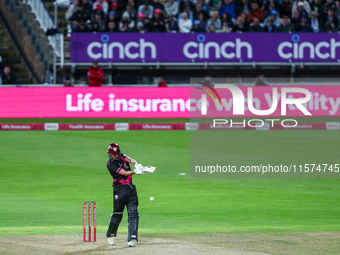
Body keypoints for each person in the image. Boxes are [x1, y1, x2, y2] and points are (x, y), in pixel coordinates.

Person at [106, 143, 144, 247]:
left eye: (117, 154)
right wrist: (135, 171)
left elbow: (130, 160)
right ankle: (111, 235)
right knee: (118, 214)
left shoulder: (121, 155)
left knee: (133, 213)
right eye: (114, 154)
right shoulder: (111, 164)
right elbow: (125, 173)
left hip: (130, 188)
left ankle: (131, 238)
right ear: (109, 154)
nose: (116, 156)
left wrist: (136, 164)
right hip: (120, 189)